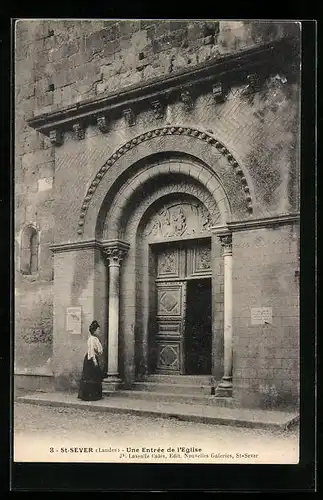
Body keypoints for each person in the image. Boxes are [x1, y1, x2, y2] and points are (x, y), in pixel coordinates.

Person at [78, 320, 104, 401]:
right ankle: (90, 395)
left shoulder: (95, 339)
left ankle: (94, 394)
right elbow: (91, 350)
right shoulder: (92, 339)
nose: (99, 331)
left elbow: (99, 350)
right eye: (98, 329)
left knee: (94, 376)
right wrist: (94, 361)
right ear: (94, 330)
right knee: (91, 376)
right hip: (91, 359)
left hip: (94, 357)